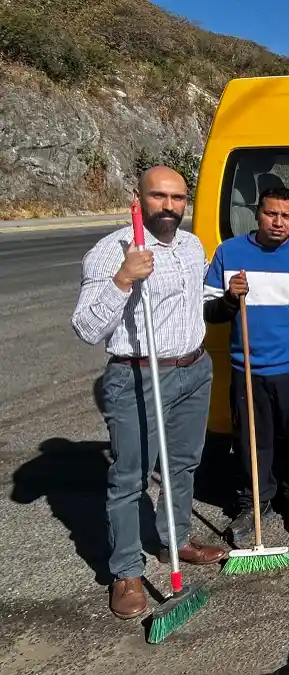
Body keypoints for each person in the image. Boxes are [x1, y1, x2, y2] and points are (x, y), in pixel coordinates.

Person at [70, 166, 226, 620]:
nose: (169, 206)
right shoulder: (111, 252)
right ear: (137, 201)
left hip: (193, 369)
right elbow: (86, 327)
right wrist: (123, 279)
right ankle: (126, 572)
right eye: (159, 196)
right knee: (130, 478)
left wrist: (225, 300)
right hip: (137, 375)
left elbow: (192, 302)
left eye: (178, 198)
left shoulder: (192, 246)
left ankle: (174, 541)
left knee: (182, 464)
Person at [203, 186, 289, 544]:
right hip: (248, 367)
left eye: (286, 216)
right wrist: (231, 298)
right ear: (257, 214)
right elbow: (209, 312)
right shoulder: (229, 253)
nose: (278, 222)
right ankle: (254, 501)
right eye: (271, 214)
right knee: (250, 441)